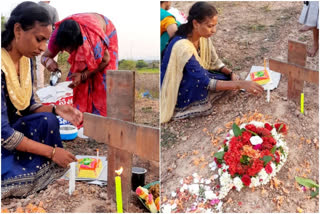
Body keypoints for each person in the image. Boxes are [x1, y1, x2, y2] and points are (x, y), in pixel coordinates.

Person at [1, 1, 83, 198]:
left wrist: (57, 109)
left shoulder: (25, 60)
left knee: (48, 121)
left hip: (11, 131)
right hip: (3, 136)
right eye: (39, 39)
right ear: (18, 30)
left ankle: (33, 167)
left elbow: (27, 106)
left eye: (46, 41)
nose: (43, 48)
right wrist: (52, 152)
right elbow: (4, 135)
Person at [160, 2, 264, 123]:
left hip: (194, 75)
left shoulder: (202, 37)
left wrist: (231, 74)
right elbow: (206, 82)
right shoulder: (183, 46)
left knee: (225, 78)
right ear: (195, 23)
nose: (213, 30)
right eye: (210, 26)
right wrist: (241, 84)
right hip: (178, 85)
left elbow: (215, 62)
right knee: (206, 88)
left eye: (215, 25)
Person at [41, 13, 118, 117]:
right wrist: (48, 61)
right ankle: (79, 116)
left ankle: (100, 119)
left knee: (103, 83)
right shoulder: (56, 37)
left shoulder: (92, 37)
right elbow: (44, 57)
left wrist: (83, 75)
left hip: (104, 31)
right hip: (85, 34)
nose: (68, 51)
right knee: (75, 84)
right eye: (65, 48)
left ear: (79, 43)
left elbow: (105, 60)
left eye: (71, 49)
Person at [35, 0, 59, 88]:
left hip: (37, 42)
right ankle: (53, 87)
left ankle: (40, 88)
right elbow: (57, 27)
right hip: (51, 44)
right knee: (54, 66)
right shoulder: (53, 9)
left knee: (39, 67)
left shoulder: (33, 8)